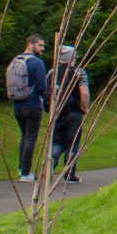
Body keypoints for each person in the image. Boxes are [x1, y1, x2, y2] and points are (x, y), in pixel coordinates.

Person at [8, 34, 50, 182]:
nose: (42, 48)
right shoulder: (36, 62)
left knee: (24, 136)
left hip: (17, 105)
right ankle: (26, 173)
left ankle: (21, 169)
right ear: (31, 45)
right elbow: (42, 85)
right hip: (32, 104)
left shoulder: (16, 60)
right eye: (40, 45)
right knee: (31, 137)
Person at [48, 43, 91, 184]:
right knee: (72, 143)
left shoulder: (52, 72)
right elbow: (84, 93)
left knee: (57, 141)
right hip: (73, 112)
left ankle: (51, 162)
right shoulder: (78, 72)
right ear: (72, 57)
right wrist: (85, 108)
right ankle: (69, 175)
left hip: (56, 112)